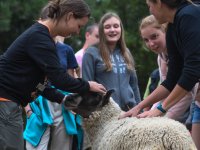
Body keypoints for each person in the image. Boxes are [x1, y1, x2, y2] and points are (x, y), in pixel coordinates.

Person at [0, 0, 106, 149]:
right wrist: (88, 85)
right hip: (5, 103)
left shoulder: (43, 37)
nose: (77, 32)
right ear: (69, 16)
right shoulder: (39, 37)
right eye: (79, 26)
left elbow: (38, 84)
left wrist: (64, 99)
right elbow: (59, 78)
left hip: (8, 104)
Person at [119, 0, 200, 149]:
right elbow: (171, 80)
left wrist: (161, 109)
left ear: (159, 3)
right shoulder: (172, 28)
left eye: (149, 6)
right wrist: (140, 106)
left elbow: (192, 72)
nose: (150, 11)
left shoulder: (189, 16)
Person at [24, 36, 81, 150]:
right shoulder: (33, 47)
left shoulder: (66, 50)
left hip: (62, 104)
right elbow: (25, 80)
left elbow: (70, 82)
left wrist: (73, 103)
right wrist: (28, 111)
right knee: (35, 146)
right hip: (39, 103)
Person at [139, 15, 198, 123]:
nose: (151, 44)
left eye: (154, 36)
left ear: (165, 31)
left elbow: (185, 90)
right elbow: (166, 87)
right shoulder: (161, 57)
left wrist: (164, 116)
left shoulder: (181, 52)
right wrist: (150, 110)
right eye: (146, 40)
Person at [82, 12, 141, 111]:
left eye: (116, 26)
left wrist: (140, 108)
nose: (112, 30)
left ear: (121, 29)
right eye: (107, 27)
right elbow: (86, 85)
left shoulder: (126, 52)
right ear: (101, 30)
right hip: (105, 112)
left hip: (129, 111)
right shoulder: (91, 53)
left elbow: (134, 85)